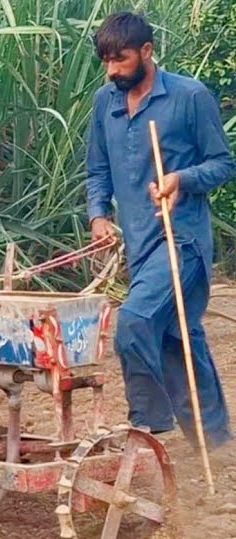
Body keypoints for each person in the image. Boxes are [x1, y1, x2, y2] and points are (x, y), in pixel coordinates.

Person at [85, 11, 236, 453]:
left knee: (133, 322)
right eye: (106, 62)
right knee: (178, 335)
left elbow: (224, 163)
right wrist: (98, 216)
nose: (112, 70)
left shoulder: (190, 96)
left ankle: (148, 426)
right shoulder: (105, 102)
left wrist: (180, 180)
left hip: (182, 238)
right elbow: (97, 170)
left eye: (121, 60)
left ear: (147, 52)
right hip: (139, 243)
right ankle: (215, 440)